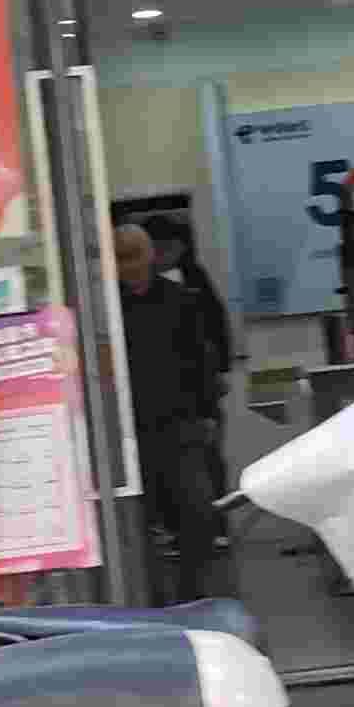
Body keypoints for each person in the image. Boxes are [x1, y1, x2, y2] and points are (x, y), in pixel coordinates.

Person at [110, 221, 232, 579]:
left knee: (195, 509)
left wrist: (208, 414)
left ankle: (195, 586)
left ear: (151, 255)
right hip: (130, 428)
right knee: (142, 517)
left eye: (135, 255)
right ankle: (156, 592)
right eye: (122, 257)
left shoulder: (180, 300)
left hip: (180, 421)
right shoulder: (107, 309)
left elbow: (200, 361)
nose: (130, 265)